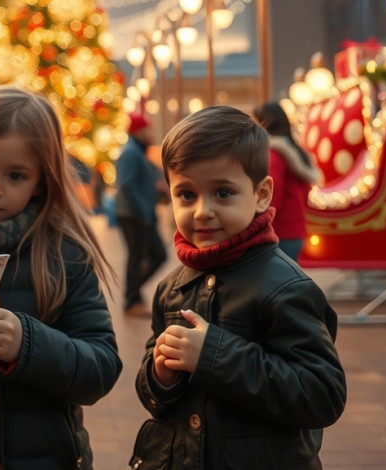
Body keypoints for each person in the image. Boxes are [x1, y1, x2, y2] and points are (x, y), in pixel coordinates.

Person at [131, 107, 345, 469]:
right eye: (186, 194)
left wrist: (213, 356)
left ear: (261, 194)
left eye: (223, 192)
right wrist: (159, 376)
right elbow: (153, 396)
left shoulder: (286, 288)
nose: (202, 210)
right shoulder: (171, 288)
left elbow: (322, 395)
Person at [0, 86, 121, 470]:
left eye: (16, 175)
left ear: (40, 181)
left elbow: (101, 369)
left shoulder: (65, 256)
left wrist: (25, 343)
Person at [114, 111, 169, 318]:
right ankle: (131, 299)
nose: (150, 132)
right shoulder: (130, 152)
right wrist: (143, 210)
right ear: (138, 130)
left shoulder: (137, 150)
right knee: (142, 256)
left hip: (137, 212)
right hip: (133, 213)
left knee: (147, 256)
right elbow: (127, 184)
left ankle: (134, 296)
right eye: (147, 129)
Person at [253, 101, 321, 262]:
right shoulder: (294, 151)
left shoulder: (274, 154)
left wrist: (258, 224)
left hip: (279, 230)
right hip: (295, 230)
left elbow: (271, 195)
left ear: (263, 123)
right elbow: (305, 191)